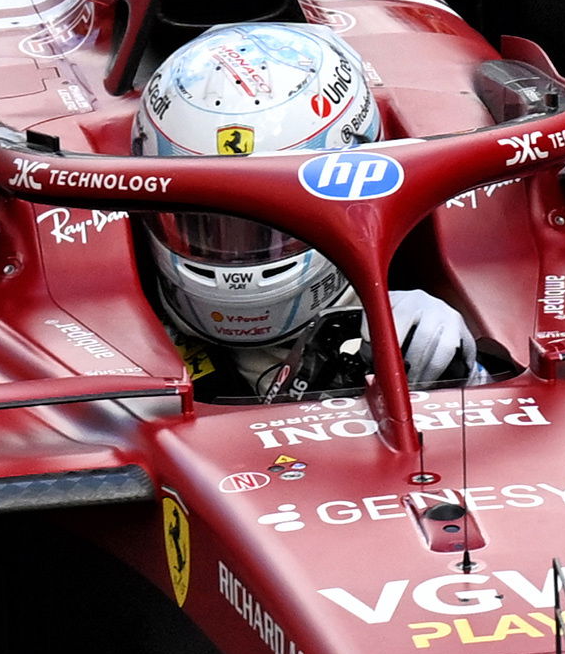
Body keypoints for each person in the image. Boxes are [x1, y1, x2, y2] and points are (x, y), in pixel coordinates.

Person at [132, 23, 493, 399]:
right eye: (205, 224)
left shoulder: (409, 322)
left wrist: (467, 377)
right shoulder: (109, 325)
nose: (237, 254)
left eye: (273, 223)